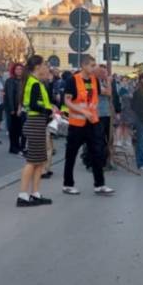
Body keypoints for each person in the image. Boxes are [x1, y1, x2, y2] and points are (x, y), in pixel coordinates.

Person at [62, 55, 114, 196]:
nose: (94, 67)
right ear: (84, 65)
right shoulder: (72, 80)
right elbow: (67, 101)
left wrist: (108, 81)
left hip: (92, 122)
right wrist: (82, 110)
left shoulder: (94, 80)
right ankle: (67, 184)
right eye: (92, 65)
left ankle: (100, 185)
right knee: (71, 155)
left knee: (97, 154)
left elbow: (108, 93)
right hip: (77, 123)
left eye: (94, 64)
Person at [17, 55, 58, 207]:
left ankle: (35, 193)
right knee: (32, 161)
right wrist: (48, 110)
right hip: (35, 123)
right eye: (45, 65)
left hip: (38, 123)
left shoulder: (35, 82)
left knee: (40, 161)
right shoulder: (34, 83)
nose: (47, 68)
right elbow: (34, 105)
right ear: (38, 67)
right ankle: (22, 195)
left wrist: (50, 108)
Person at [5, 63, 25, 154]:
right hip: (13, 108)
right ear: (13, 70)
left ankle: (18, 146)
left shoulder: (23, 81)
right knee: (13, 129)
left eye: (20, 69)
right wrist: (12, 109)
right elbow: (9, 95)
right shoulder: (10, 81)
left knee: (19, 128)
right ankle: (13, 147)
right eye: (17, 69)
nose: (19, 71)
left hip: (21, 108)